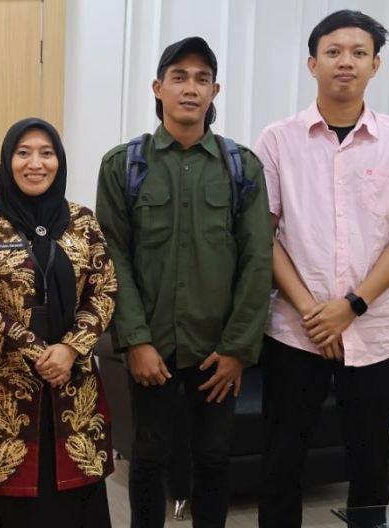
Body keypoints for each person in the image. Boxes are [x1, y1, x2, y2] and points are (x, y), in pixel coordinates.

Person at [253, 10, 389, 528]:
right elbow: (262, 235)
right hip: (296, 331)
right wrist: (314, 313)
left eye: (359, 53)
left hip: (377, 331)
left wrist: (352, 307)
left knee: (371, 461)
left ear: (375, 65)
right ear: (312, 63)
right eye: (334, 52)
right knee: (281, 460)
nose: (346, 62)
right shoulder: (277, 139)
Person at [95, 37, 273, 528]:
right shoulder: (123, 165)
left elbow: (257, 259)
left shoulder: (242, 167)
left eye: (201, 79)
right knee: (148, 457)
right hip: (151, 347)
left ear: (215, 90)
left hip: (217, 351)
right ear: (158, 88)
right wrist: (136, 341)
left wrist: (237, 348)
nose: (190, 88)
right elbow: (113, 258)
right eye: (179, 77)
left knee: (213, 458)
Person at [0, 117, 117, 528]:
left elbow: (104, 290)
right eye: (23, 153)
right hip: (4, 388)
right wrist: (39, 353)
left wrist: (70, 349)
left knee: (71, 500)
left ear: (59, 161)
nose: (35, 163)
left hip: (73, 383)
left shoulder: (84, 221)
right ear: (8, 161)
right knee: (6, 502)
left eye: (46, 153)